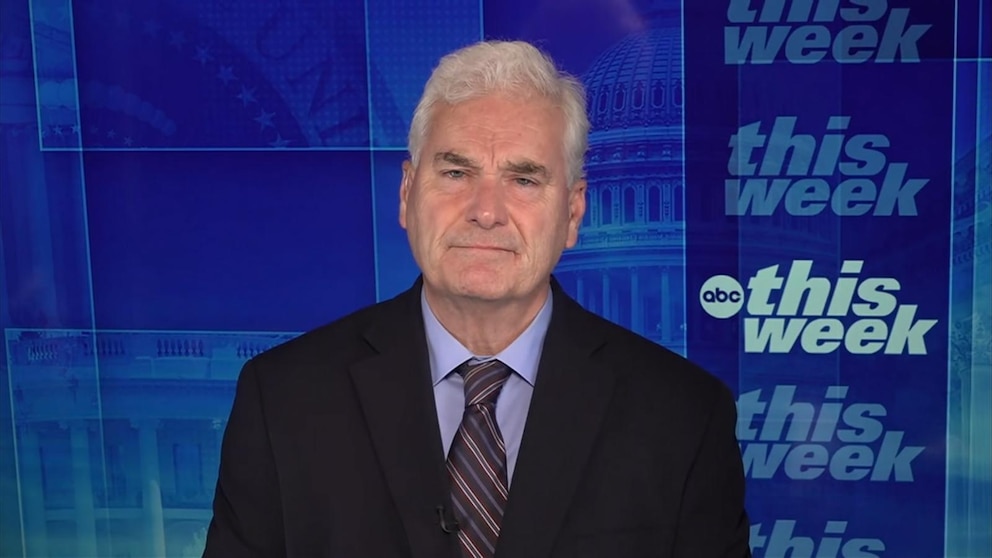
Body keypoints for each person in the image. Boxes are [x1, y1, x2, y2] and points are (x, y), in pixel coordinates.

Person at [204, 40, 750, 558]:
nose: (485, 211)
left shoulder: (683, 417)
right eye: (455, 172)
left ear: (573, 212)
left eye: (524, 180)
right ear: (406, 195)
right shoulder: (283, 399)